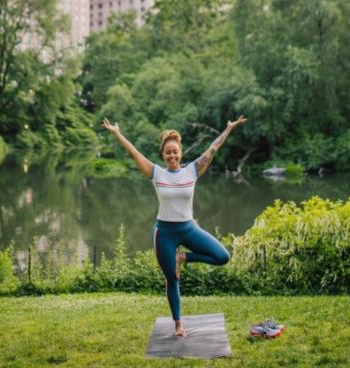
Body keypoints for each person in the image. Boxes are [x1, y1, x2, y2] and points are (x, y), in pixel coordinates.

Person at [102, 115, 247, 337]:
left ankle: (183, 257)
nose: (172, 155)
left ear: (181, 152)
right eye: (167, 152)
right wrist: (117, 133)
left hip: (188, 228)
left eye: (175, 151)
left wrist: (228, 129)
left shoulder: (192, 170)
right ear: (163, 155)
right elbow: (134, 153)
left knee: (222, 257)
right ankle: (178, 325)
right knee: (172, 279)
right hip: (164, 233)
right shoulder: (156, 173)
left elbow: (213, 149)